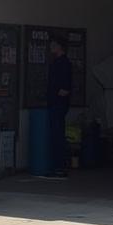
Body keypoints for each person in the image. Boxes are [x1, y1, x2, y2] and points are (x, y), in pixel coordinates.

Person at [46, 36, 73, 178]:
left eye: (54, 44)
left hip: (58, 104)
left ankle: (59, 167)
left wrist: (57, 94)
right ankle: (56, 166)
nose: (51, 47)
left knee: (57, 135)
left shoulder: (64, 63)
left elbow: (65, 88)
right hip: (55, 103)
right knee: (55, 134)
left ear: (59, 47)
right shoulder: (57, 62)